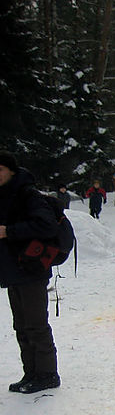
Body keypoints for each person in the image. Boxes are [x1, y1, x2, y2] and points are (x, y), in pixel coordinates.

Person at [0, 151, 61, 393]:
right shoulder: (4, 195)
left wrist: (9, 231)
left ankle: (47, 374)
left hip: (32, 269)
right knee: (21, 325)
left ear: (11, 171)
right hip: (13, 270)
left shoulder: (27, 194)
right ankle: (31, 372)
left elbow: (45, 225)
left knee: (36, 324)